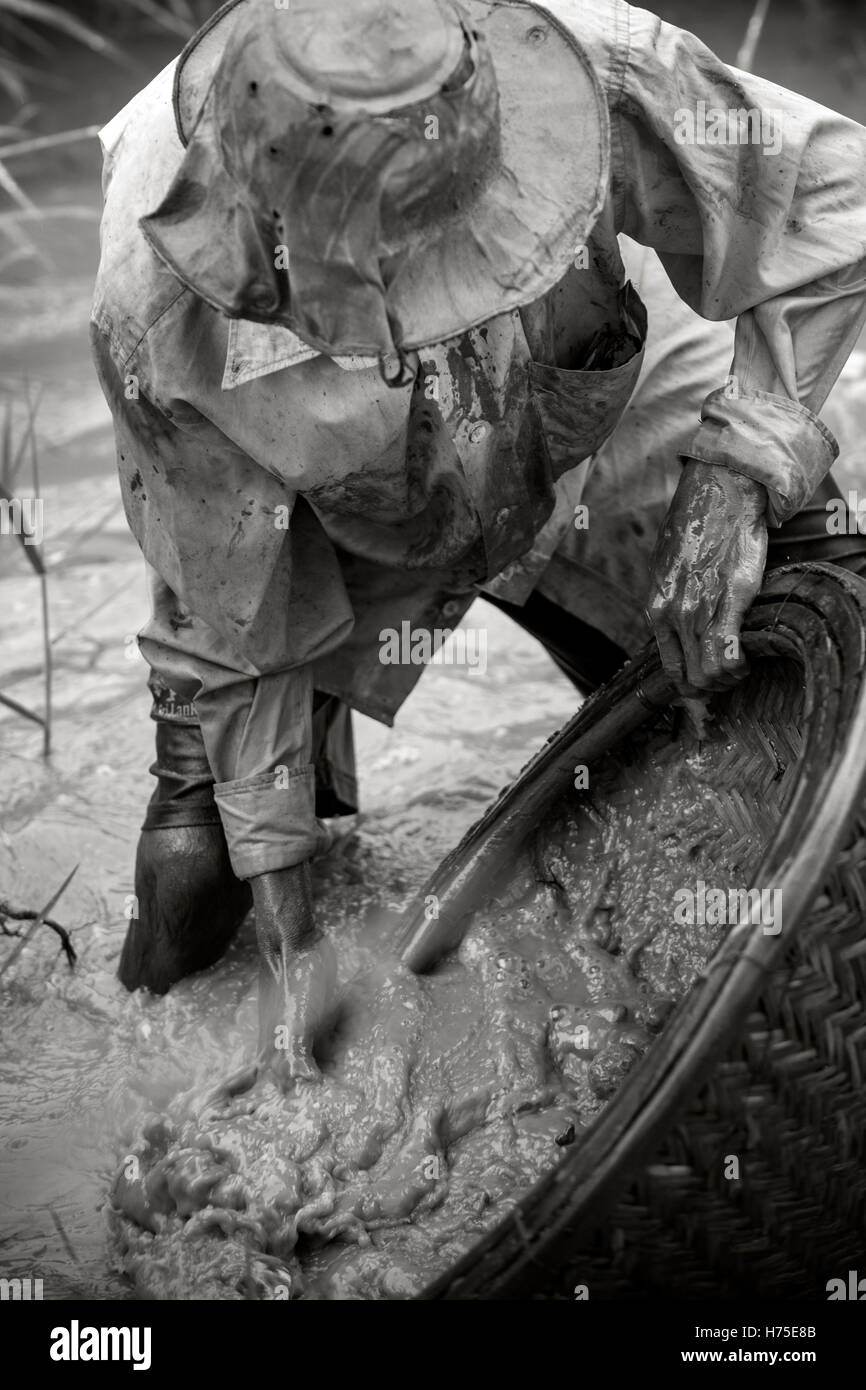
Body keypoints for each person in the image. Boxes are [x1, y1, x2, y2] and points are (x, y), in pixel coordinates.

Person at [91, 0, 866, 1081]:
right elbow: (242, 624)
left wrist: (735, 473)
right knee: (199, 866)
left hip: (595, 428)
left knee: (764, 687)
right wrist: (292, 944)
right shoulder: (157, 307)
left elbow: (833, 214)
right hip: (338, 522)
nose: (419, 324)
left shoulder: (585, 70)